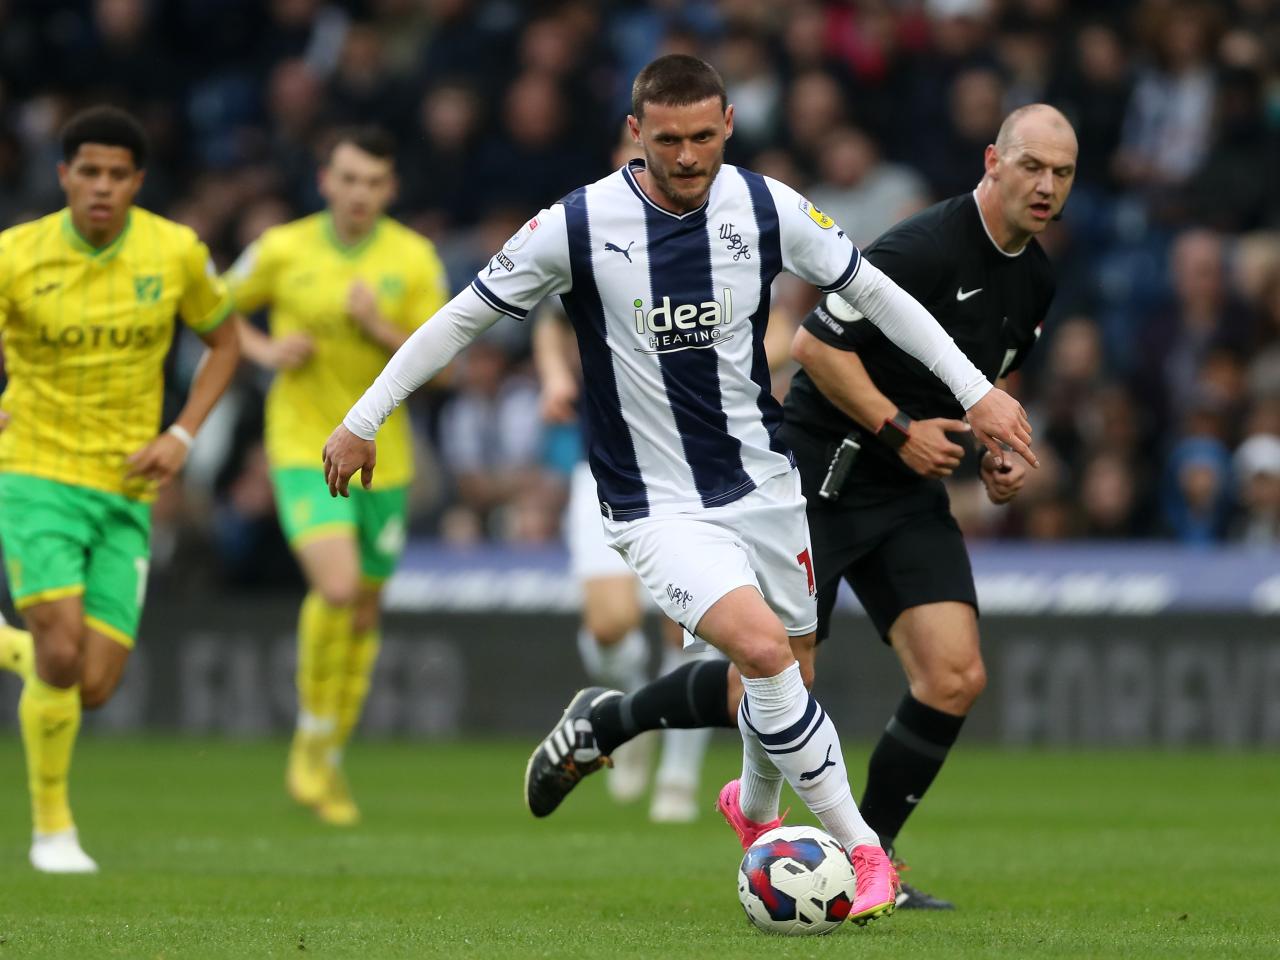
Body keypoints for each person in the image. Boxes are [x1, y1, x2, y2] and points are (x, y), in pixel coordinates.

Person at [322, 55, 1034, 925]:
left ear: (729, 123)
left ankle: (756, 811)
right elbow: (462, 317)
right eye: (668, 140)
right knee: (765, 654)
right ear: (637, 133)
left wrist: (977, 392)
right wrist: (366, 416)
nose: (688, 155)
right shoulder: (576, 225)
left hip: (766, 483)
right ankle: (864, 854)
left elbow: (877, 296)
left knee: (786, 677)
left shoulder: (767, 206)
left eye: (703, 136)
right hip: (655, 503)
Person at [513, 102, 1075, 911]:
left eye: (1062, 173)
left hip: (906, 493)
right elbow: (815, 345)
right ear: (994, 161)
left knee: (954, 675)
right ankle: (611, 720)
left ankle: (872, 857)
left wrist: (994, 456)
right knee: (768, 688)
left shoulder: (1039, 278)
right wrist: (899, 427)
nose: (1046, 186)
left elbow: (977, 379)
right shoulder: (921, 246)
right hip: (818, 474)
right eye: (1033, 167)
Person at [0, 106, 241, 872]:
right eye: (88, 172)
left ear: (136, 181)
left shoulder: (174, 252)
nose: (101, 187)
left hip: (128, 485)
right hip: (35, 470)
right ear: (63, 174)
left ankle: (10, 646)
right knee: (62, 652)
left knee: (94, 683)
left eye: (117, 175)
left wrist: (182, 435)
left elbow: (226, 341)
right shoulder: (15, 254)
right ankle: (52, 831)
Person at [226, 127, 449, 825]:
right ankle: (311, 737)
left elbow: (445, 350)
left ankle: (327, 756)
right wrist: (264, 350)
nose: (359, 194)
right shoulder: (283, 247)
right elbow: (211, 308)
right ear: (326, 181)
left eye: (373, 183)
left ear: (390, 190)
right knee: (340, 584)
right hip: (300, 443)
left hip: (388, 459)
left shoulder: (413, 257)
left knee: (363, 610)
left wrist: (381, 326)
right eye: (348, 179)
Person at [534, 301, 719, 823]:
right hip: (607, 466)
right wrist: (553, 376)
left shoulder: (722, 240)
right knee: (609, 625)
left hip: (697, 472)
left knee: (688, 629)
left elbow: (778, 326)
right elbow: (551, 317)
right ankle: (634, 711)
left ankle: (678, 778)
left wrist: (731, 360)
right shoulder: (602, 234)